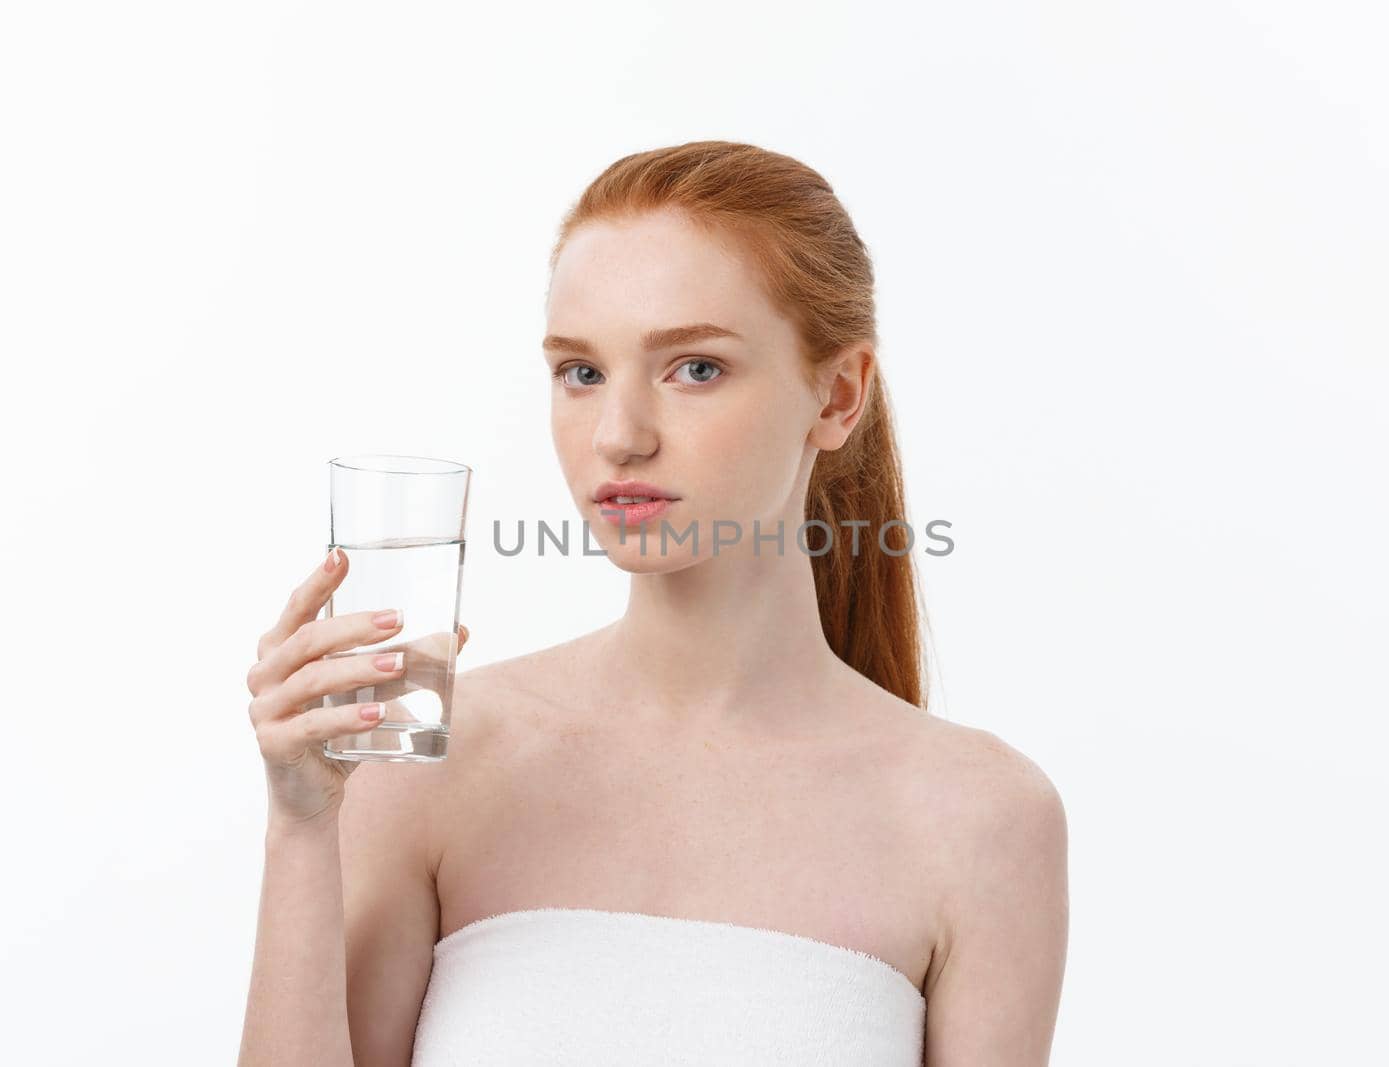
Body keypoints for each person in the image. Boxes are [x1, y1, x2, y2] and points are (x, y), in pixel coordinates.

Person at [238, 140, 1068, 1066]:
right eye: (581, 372)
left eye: (695, 369)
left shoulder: (981, 818)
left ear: (837, 395)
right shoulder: (429, 758)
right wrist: (301, 830)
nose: (618, 437)